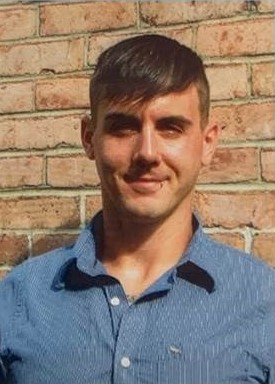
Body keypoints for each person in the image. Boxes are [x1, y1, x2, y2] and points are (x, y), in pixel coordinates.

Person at [0, 34, 274, 384]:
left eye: (170, 128)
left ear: (207, 143)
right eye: (123, 127)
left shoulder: (262, 299)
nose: (146, 152)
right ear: (89, 138)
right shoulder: (20, 297)